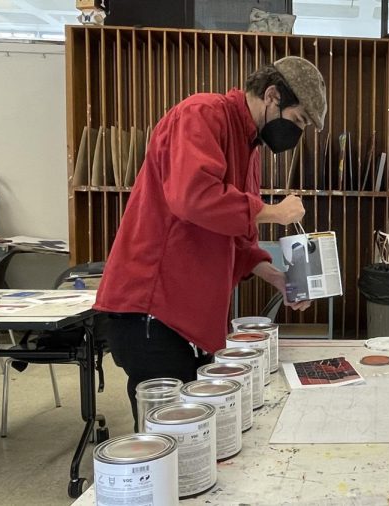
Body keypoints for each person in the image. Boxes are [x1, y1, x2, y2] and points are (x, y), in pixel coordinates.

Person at [94, 56, 327, 428]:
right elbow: (193, 197)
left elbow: (233, 238)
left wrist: (279, 278)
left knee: (196, 432)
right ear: (271, 95)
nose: (295, 133)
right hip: (150, 310)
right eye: (297, 120)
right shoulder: (201, 114)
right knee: (175, 436)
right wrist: (274, 212)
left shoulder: (248, 148)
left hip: (185, 313)